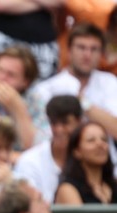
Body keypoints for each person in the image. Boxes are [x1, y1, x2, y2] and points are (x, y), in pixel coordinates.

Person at [35, 23, 117, 176]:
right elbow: (42, 137)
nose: (87, 54)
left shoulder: (110, 82)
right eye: (81, 47)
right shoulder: (46, 88)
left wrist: (82, 103)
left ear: (101, 54)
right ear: (69, 51)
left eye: (94, 49)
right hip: (58, 168)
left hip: (106, 168)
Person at [14, 95, 83, 203]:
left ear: (79, 122)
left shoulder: (91, 155)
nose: (59, 130)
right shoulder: (29, 161)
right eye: (54, 123)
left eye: (65, 123)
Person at [0, 45, 48, 148]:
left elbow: (36, 149)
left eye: (11, 75)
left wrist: (18, 108)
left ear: (25, 82)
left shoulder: (35, 101)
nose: (2, 78)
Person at [55, 122, 117, 204]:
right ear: (77, 151)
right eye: (91, 140)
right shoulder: (68, 189)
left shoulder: (113, 185)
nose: (100, 144)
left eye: (104, 139)